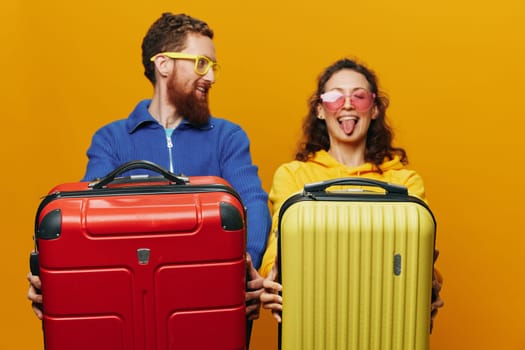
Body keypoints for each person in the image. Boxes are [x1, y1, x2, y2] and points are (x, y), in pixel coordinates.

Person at [26, 12, 271, 344]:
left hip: (208, 303)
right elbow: (87, 218)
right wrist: (56, 278)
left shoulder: (228, 136)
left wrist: (246, 266)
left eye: (214, 66)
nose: (211, 76)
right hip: (134, 307)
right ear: (163, 64)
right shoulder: (111, 139)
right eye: (201, 63)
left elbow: (252, 203)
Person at [258, 58, 444, 330]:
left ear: (375, 108)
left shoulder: (405, 182)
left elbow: (418, 256)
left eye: (358, 96)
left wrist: (430, 280)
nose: (347, 104)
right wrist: (273, 274)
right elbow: (279, 244)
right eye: (335, 96)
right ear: (320, 110)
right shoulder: (294, 176)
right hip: (315, 316)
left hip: (385, 318)